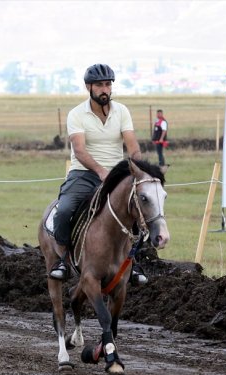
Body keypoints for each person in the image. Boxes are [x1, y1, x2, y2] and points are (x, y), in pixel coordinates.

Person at [51, 63, 147, 285]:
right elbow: (80, 150)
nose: (105, 89)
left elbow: (132, 146)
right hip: (83, 173)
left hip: (117, 173)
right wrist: (101, 171)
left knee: (141, 209)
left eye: (108, 84)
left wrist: (138, 169)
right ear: (89, 88)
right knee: (64, 211)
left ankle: (134, 262)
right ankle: (63, 260)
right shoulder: (77, 114)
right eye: (99, 85)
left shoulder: (122, 111)